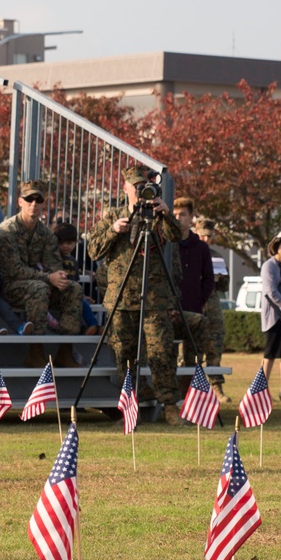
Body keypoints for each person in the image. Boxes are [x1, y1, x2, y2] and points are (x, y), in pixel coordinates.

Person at [87, 166, 183, 426]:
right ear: (126, 188)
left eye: (145, 185)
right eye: (136, 186)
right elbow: (93, 251)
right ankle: (132, 408)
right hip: (121, 296)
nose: (141, 190)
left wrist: (166, 214)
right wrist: (113, 231)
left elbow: (177, 237)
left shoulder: (158, 215)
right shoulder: (113, 216)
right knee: (124, 356)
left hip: (154, 297)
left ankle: (170, 406)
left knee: (161, 352)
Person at [0, 181, 83, 367]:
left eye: (38, 200)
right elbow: (14, 270)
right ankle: (35, 351)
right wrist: (49, 278)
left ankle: (65, 351)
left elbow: (54, 263)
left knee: (73, 288)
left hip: (37, 285)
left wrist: (59, 277)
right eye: (29, 199)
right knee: (39, 288)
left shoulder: (47, 234)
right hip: (8, 287)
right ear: (20, 201)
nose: (33, 204)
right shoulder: (6, 231)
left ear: (43, 204)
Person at [171, 196, 219, 397]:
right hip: (168, 311)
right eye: (174, 215)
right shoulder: (166, 244)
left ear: (191, 218)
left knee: (192, 358)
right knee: (167, 356)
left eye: (182, 214)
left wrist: (199, 301)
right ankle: (168, 397)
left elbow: (208, 279)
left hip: (193, 310)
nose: (178, 218)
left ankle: (188, 396)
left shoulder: (201, 248)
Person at [196, 219, 228, 401]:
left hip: (213, 305)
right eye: (202, 235)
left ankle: (216, 386)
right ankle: (194, 387)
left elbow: (225, 286)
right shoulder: (191, 253)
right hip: (196, 303)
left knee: (215, 344)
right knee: (193, 346)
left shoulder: (217, 256)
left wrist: (220, 279)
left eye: (209, 236)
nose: (206, 239)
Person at [260, 230, 281, 402]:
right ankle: (262, 391)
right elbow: (270, 292)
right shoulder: (269, 266)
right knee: (270, 354)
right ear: (276, 247)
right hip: (274, 316)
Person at [52, 221, 99, 335]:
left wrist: (82, 295)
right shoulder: (54, 259)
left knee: (83, 303)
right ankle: (93, 326)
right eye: (62, 242)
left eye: (69, 243)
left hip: (73, 293)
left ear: (75, 243)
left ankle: (93, 327)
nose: (65, 246)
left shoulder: (73, 261)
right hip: (60, 294)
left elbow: (75, 281)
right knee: (80, 304)